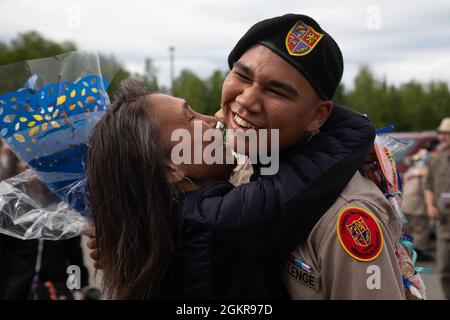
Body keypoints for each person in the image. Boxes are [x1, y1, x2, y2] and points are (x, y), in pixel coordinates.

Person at [86, 76, 374, 299]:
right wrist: (312, 110)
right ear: (171, 169)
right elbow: (319, 161)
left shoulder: (162, 225)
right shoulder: (223, 220)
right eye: (191, 118)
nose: (213, 119)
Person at [219, 13, 410, 299]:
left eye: (276, 91)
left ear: (317, 116)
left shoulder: (344, 217)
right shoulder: (243, 165)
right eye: (242, 75)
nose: (246, 100)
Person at [425, 117, 450, 299]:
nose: (442, 137)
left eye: (446, 134)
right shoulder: (436, 160)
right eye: (441, 133)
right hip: (444, 225)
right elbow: (428, 185)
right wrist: (429, 205)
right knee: (443, 270)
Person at [401, 149, 433, 261]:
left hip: (405, 205)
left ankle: (408, 252)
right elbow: (426, 189)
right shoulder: (424, 173)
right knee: (420, 230)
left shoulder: (410, 172)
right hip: (418, 207)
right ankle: (418, 252)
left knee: (408, 230)